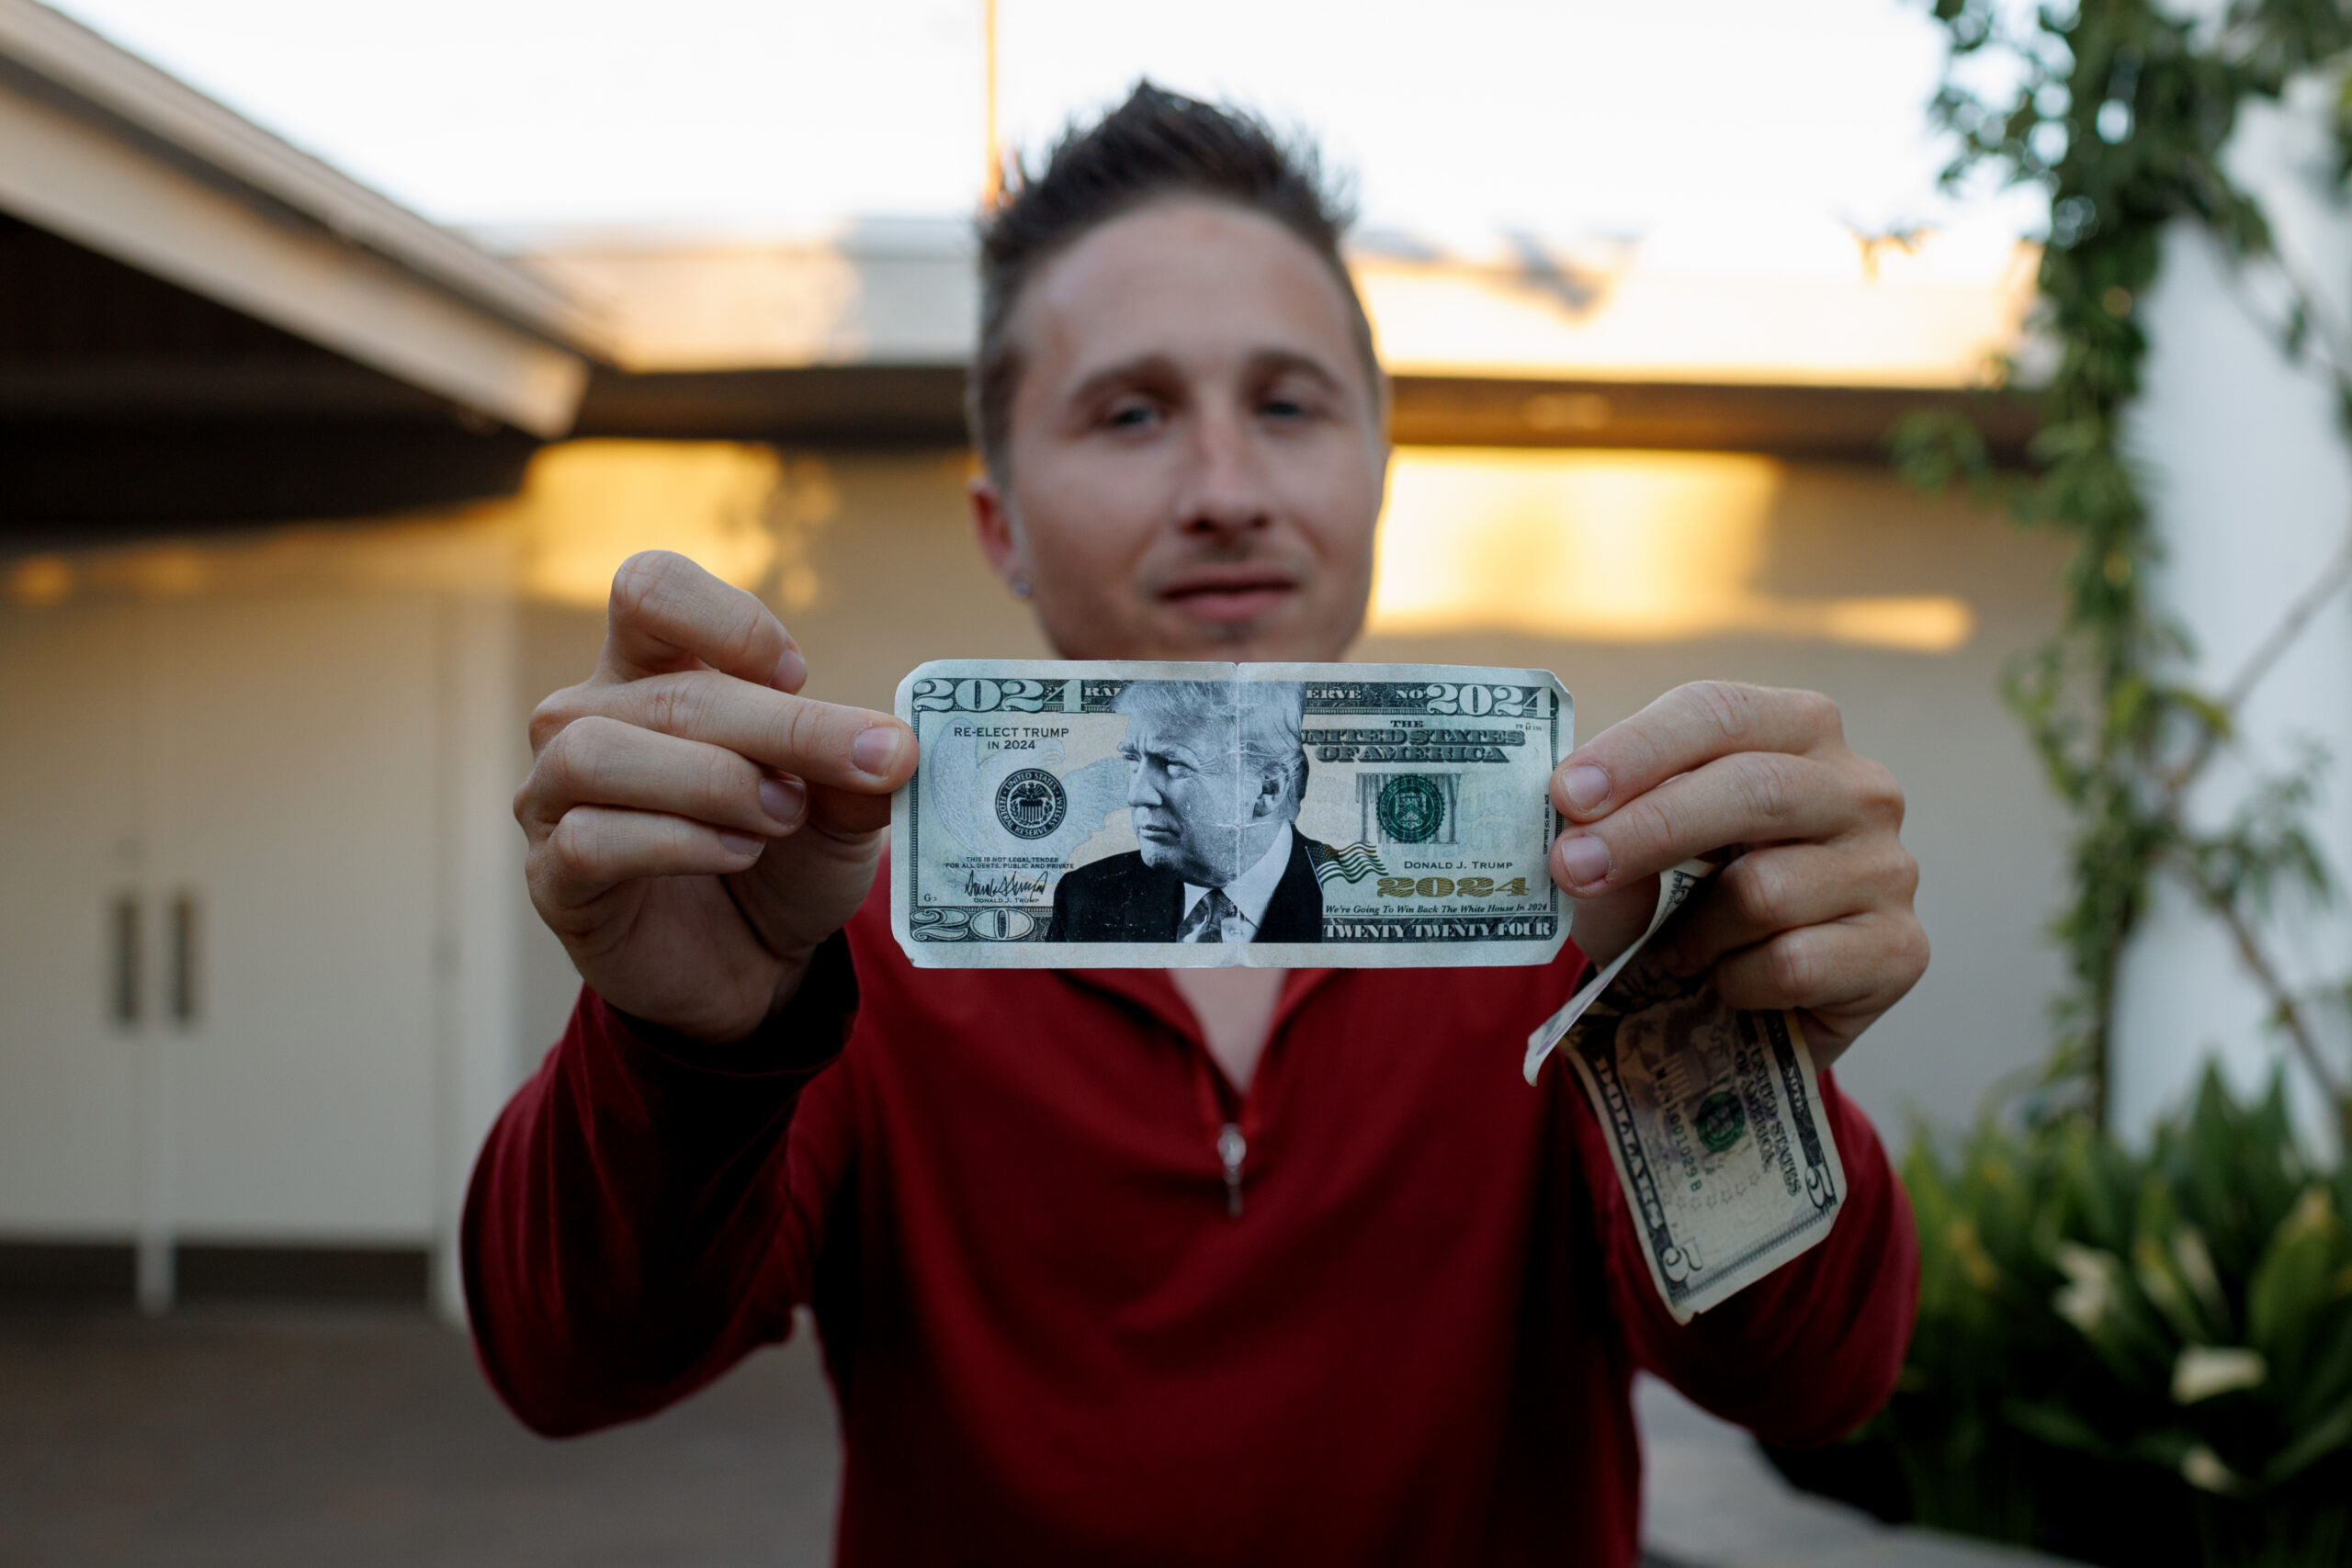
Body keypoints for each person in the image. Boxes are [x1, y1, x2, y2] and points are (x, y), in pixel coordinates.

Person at [472, 85, 1928, 1565]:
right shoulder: (834, 939)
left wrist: (1724, 1020)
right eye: (1132, 411)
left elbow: (1817, 1378)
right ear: (1003, 526)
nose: (1227, 492)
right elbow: (569, 1362)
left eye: (1288, 405)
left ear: (1377, 474)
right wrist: (680, 1046)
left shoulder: (1588, 912)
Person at [1046, 679, 1331, 942]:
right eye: (1133, 760)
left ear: (1268, 788)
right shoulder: (1086, 895)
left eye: (1174, 765)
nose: (1136, 795)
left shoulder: (1358, 891)